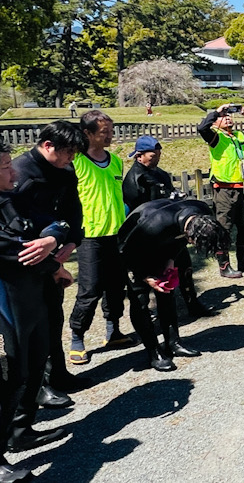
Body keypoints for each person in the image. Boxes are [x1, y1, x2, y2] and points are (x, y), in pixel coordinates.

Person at [1, 140, 75, 473]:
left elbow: (55, 222)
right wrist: (55, 264)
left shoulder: (10, 199)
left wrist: (52, 238)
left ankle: (20, 431)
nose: (14, 172)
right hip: (8, 307)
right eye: (6, 167)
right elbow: (19, 251)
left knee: (34, 364)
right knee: (12, 376)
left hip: (32, 300)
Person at [10, 122, 87, 401]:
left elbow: (72, 208)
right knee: (35, 326)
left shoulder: (65, 171)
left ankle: (58, 374)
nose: (71, 158)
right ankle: (39, 386)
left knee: (54, 318)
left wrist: (71, 240)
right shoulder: (20, 174)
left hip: (53, 252)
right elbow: (17, 231)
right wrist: (51, 263)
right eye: (68, 152)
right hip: (25, 262)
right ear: (47, 145)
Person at [118, 199, 225, 371]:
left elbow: (180, 240)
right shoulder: (153, 225)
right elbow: (127, 255)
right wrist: (146, 277)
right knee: (140, 300)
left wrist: (170, 260)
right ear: (190, 234)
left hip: (162, 242)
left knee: (167, 292)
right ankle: (154, 351)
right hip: (131, 248)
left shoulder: (203, 212)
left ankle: (173, 342)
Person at [122, 136, 213, 318]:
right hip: (149, 235)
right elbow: (134, 212)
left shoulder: (161, 174)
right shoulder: (134, 180)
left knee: (184, 266)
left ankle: (192, 303)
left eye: (158, 154)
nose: (157, 158)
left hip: (172, 229)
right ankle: (147, 311)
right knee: (150, 275)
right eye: (152, 155)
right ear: (139, 156)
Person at [67, 111, 131, 366]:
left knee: (116, 286)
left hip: (116, 234)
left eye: (111, 131)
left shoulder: (115, 161)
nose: (110, 136)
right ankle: (77, 337)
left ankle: (113, 331)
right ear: (87, 133)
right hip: (89, 236)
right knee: (90, 289)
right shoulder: (76, 162)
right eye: (104, 132)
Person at [197, 102, 244, 277]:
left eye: (229, 115)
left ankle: (243, 262)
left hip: (242, 187)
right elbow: (202, 128)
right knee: (224, 228)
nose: (227, 118)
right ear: (215, 122)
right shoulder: (215, 137)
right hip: (224, 189)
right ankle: (224, 266)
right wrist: (216, 112)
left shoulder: (238, 136)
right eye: (223, 117)